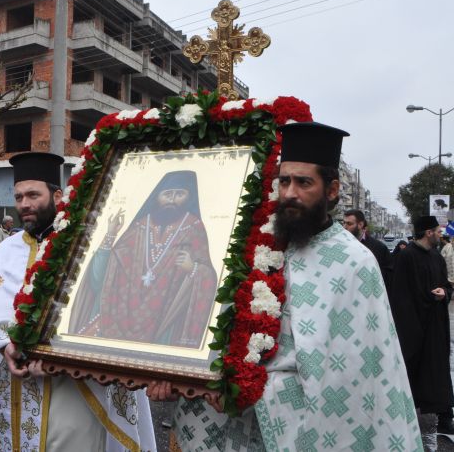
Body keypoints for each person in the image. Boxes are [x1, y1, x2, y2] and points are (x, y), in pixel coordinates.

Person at [151, 122, 422, 451]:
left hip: (299, 429)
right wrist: (173, 368)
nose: (290, 193)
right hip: (229, 423)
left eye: (304, 182)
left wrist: (253, 387)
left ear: (332, 190)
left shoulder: (355, 262)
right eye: (284, 181)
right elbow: (207, 323)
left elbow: (354, 371)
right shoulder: (253, 248)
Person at [0, 152, 156, 451]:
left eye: (34, 194)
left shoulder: (84, 245)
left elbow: (105, 311)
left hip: (74, 389)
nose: (25, 204)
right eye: (19, 196)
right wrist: (7, 346)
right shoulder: (6, 250)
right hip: (12, 386)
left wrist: (55, 356)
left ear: (58, 195)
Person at [69, 171, 217, 347]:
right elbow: (103, 274)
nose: (172, 199)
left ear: (189, 197)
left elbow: (209, 277)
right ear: (157, 197)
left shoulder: (194, 227)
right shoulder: (140, 225)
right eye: (167, 194)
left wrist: (193, 268)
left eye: (180, 194)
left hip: (163, 320)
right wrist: (110, 234)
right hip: (121, 313)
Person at [391, 216, 454, 435]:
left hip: (436, 326)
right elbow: (399, 295)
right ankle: (404, 417)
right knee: (412, 371)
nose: (440, 234)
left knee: (438, 370)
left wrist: (444, 293)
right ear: (428, 232)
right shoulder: (407, 256)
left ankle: (444, 416)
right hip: (414, 327)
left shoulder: (436, 256)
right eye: (437, 231)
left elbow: (447, 286)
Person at [342, 209, 393, 290]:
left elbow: (388, 275)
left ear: (360, 224)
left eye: (349, 224)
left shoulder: (379, 247)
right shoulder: (341, 245)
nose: (344, 227)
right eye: (343, 223)